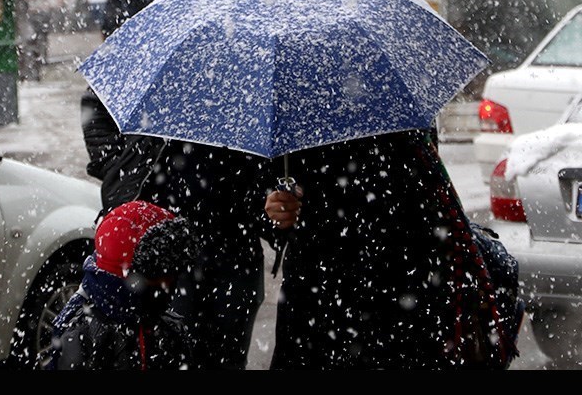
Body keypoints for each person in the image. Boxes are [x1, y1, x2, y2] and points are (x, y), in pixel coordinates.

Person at [263, 129, 514, 370]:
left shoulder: (396, 109)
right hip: (320, 291)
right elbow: (268, 191)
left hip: (402, 284)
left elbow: (427, 193)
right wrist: (275, 210)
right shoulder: (296, 107)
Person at [80, 90, 278, 370]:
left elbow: (265, 177)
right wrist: (116, 164)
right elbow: (97, 100)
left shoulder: (247, 74)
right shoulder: (167, 58)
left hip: (234, 251)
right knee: (168, 356)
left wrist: (274, 205)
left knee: (228, 358)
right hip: (166, 253)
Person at [46, 200, 198, 370]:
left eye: (174, 272)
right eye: (163, 274)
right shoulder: (88, 338)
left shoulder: (167, 329)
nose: (171, 282)